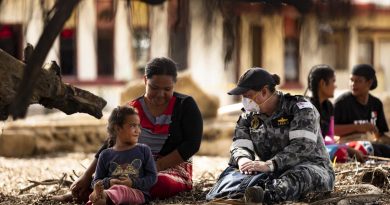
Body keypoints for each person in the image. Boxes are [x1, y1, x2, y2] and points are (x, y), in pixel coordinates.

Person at [54, 57, 203, 202]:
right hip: (132, 166)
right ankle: (98, 193)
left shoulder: (186, 105)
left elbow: (192, 144)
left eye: (167, 89)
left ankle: (104, 196)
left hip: (171, 169)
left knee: (158, 183)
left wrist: (152, 168)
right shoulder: (132, 108)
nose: (160, 94)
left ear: (174, 85)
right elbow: (111, 142)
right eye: (154, 88)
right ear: (145, 80)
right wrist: (86, 176)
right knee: (104, 181)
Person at [207, 67, 334, 204]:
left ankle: (263, 197)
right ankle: (238, 195)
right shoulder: (249, 116)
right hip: (270, 170)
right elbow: (240, 142)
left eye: (247, 96)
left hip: (311, 167)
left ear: (264, 91)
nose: (244, 101)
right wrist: (243, 160)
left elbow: (302, 147)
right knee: (231, 174)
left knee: (300, 176)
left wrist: (271, 164)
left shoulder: (300, 109)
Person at [87, 106, 157, 205]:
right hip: (109, 190)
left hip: (137, 193)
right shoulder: (105, 154)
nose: (138, 130)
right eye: (133, 126)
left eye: (138, 126)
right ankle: (100, 198)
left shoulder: (144, 150)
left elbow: (152, 177)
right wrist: (109, 182)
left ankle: (102, 197)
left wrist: (133, 183)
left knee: (120, 190)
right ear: (118, 128)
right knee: (110, 191)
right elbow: (96, 181)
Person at [305, 64, 367, 163]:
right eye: (333, 81)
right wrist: (346, 149)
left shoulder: (328, 106)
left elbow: (330, 137)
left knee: (362, 148)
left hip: (324, 147)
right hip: (310, 151)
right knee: (340, 153)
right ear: (322, 83)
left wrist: (347, 147)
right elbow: (315, 143)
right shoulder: (307, 108)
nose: (335, 86)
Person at [334, 64, 390, 157]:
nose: (353, 84)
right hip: (349, 146)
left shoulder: (376, 104)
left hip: (370, 144)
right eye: (351, 80)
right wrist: (359, 127)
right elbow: (332, 130)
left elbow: (380, 135)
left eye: (358, 81)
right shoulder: (342, 103)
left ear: (369, 82)